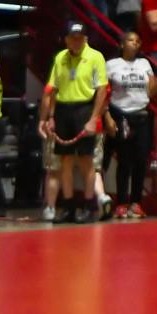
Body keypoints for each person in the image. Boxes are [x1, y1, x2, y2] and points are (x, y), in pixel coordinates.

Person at [40, 20, 111, 227]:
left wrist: (93, 118)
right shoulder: (60, 58)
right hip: (63, 110)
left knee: (87, 161)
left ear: (86, 39)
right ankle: (69, 206)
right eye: (73, 38)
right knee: (65, 161)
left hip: (84, 109)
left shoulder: (95, 57)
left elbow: (101, 90)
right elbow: (53, 89)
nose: (76, 41)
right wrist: (51, 116)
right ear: (66, 40)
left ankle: (88, 206)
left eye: (80, 38)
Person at [104, 30, 157, 218]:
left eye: (137, 41)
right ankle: (121, 202)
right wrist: (107, 118)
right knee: (124, 161)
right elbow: (103, 93)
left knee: (140, 160)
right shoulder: (111, 64)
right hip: (121, 115)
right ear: (121, 44)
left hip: (142, 115)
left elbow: (151, 91)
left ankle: (136, 202)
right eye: (130, 40)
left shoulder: (144, 64)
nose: (135, 43)